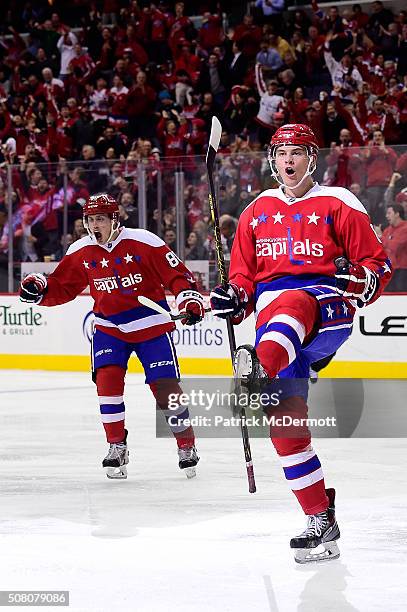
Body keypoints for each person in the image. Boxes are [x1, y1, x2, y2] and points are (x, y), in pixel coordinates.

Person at [210, 124, 392, 563]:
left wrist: (364, 280)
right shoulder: (256, 212)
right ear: (272, 160)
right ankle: (320, 520)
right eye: (281, 152)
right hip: (273, 331)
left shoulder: (338, 201)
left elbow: (377, 264)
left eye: (297, 152)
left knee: (294, 300)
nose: (288, 160)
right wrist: (232, 299)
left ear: (312, 158)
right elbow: (243, 282)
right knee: (286, 432)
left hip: (325, 307)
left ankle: (256, 371)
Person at [19, 194, 205, 480]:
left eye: (101, 219)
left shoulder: (145, 241)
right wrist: (40, 291)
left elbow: (178, 276)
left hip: (151, 326)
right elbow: (62, 286)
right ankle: (116, 446)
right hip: (109, 328)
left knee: (165, 389)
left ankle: (186, 445)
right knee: (107, 384)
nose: (95, 226)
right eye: (91, 220)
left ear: (115, 219)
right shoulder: (81, 249)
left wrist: (188, 300)